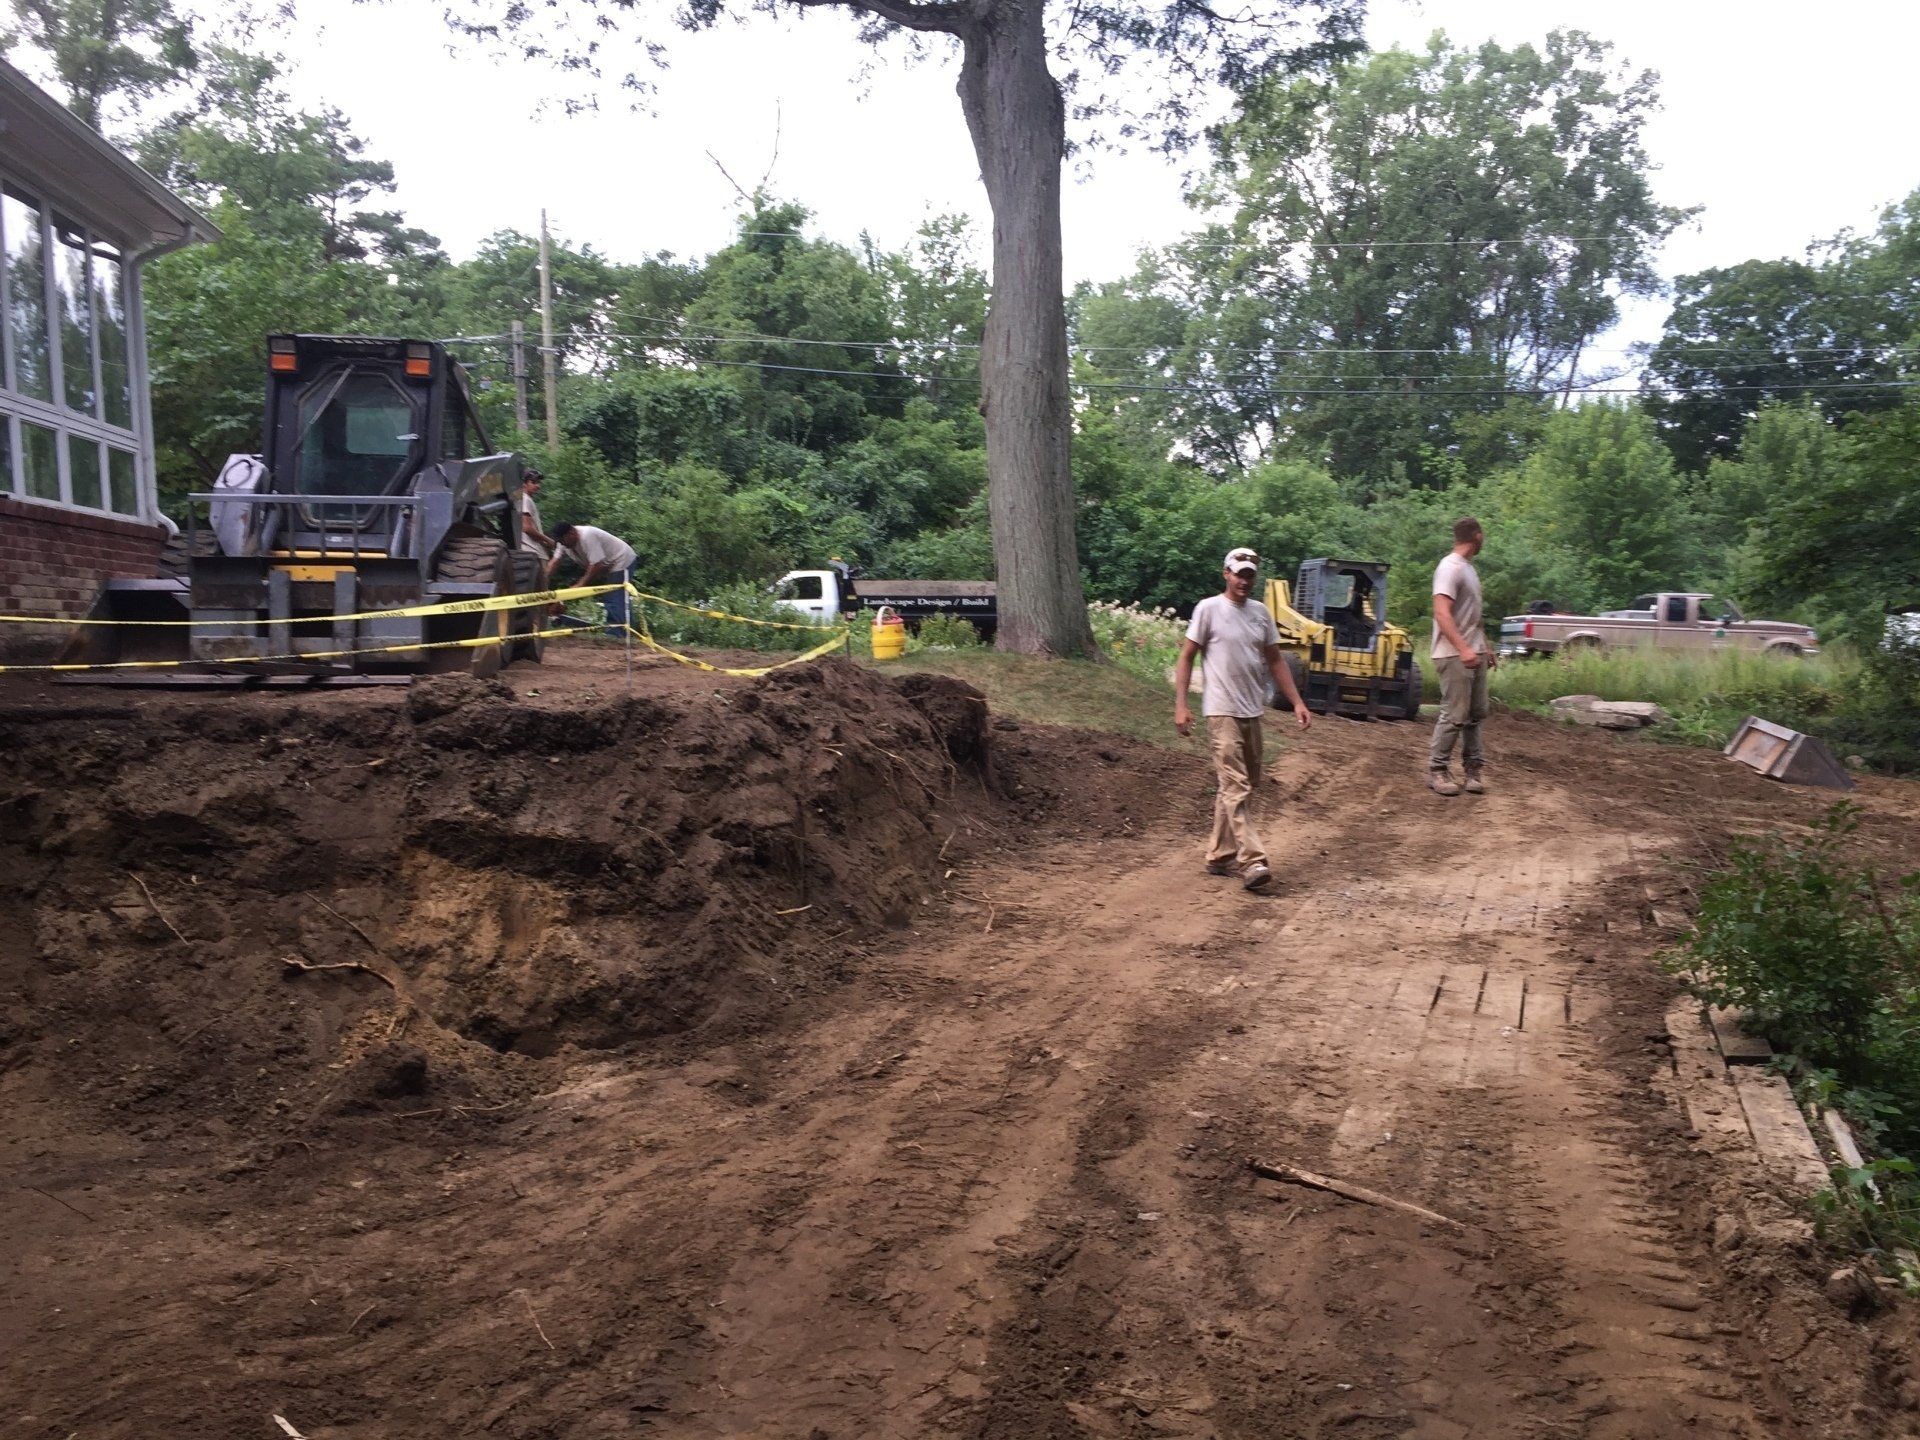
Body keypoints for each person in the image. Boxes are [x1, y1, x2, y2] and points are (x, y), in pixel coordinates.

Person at [1173, 547, 1314, 892]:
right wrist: (1181, 704)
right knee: (1236, 784)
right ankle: (1252, 861)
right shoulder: (1209, 609)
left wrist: (1296, 701)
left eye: (1249, 574)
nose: (1244, 580)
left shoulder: (1261, 614)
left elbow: (1275, 660)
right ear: (1226, 573)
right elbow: (1187, 656)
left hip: (1252, 710)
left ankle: (1219, 855)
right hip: (1221, 710)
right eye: (1238, 573)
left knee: (1242, 784)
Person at [1428, 516, 1495, 796]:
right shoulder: (1450, 568)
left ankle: (1473, 771)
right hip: (1453, 653)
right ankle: (1437, 770)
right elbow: (1442, 613)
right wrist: (1463, 648)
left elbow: (1472, 618)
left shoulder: (1468, 568)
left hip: (1472, 651)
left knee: (1475, 714)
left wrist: (1484, 647)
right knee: (1454, 715)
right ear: (1477, 536)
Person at [550, 522, 637, 634]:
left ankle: (618, 633)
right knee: (615, 596)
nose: (562, 544)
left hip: (622, 559)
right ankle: (627, 630)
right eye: (560, 542)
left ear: (572, 532)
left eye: (563, 540)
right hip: (606, 565)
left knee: (614, 595)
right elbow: (554, 562)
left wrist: (577, 587)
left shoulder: (588, 536)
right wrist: (541, 580)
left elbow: (596, 565)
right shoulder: (562, 543)